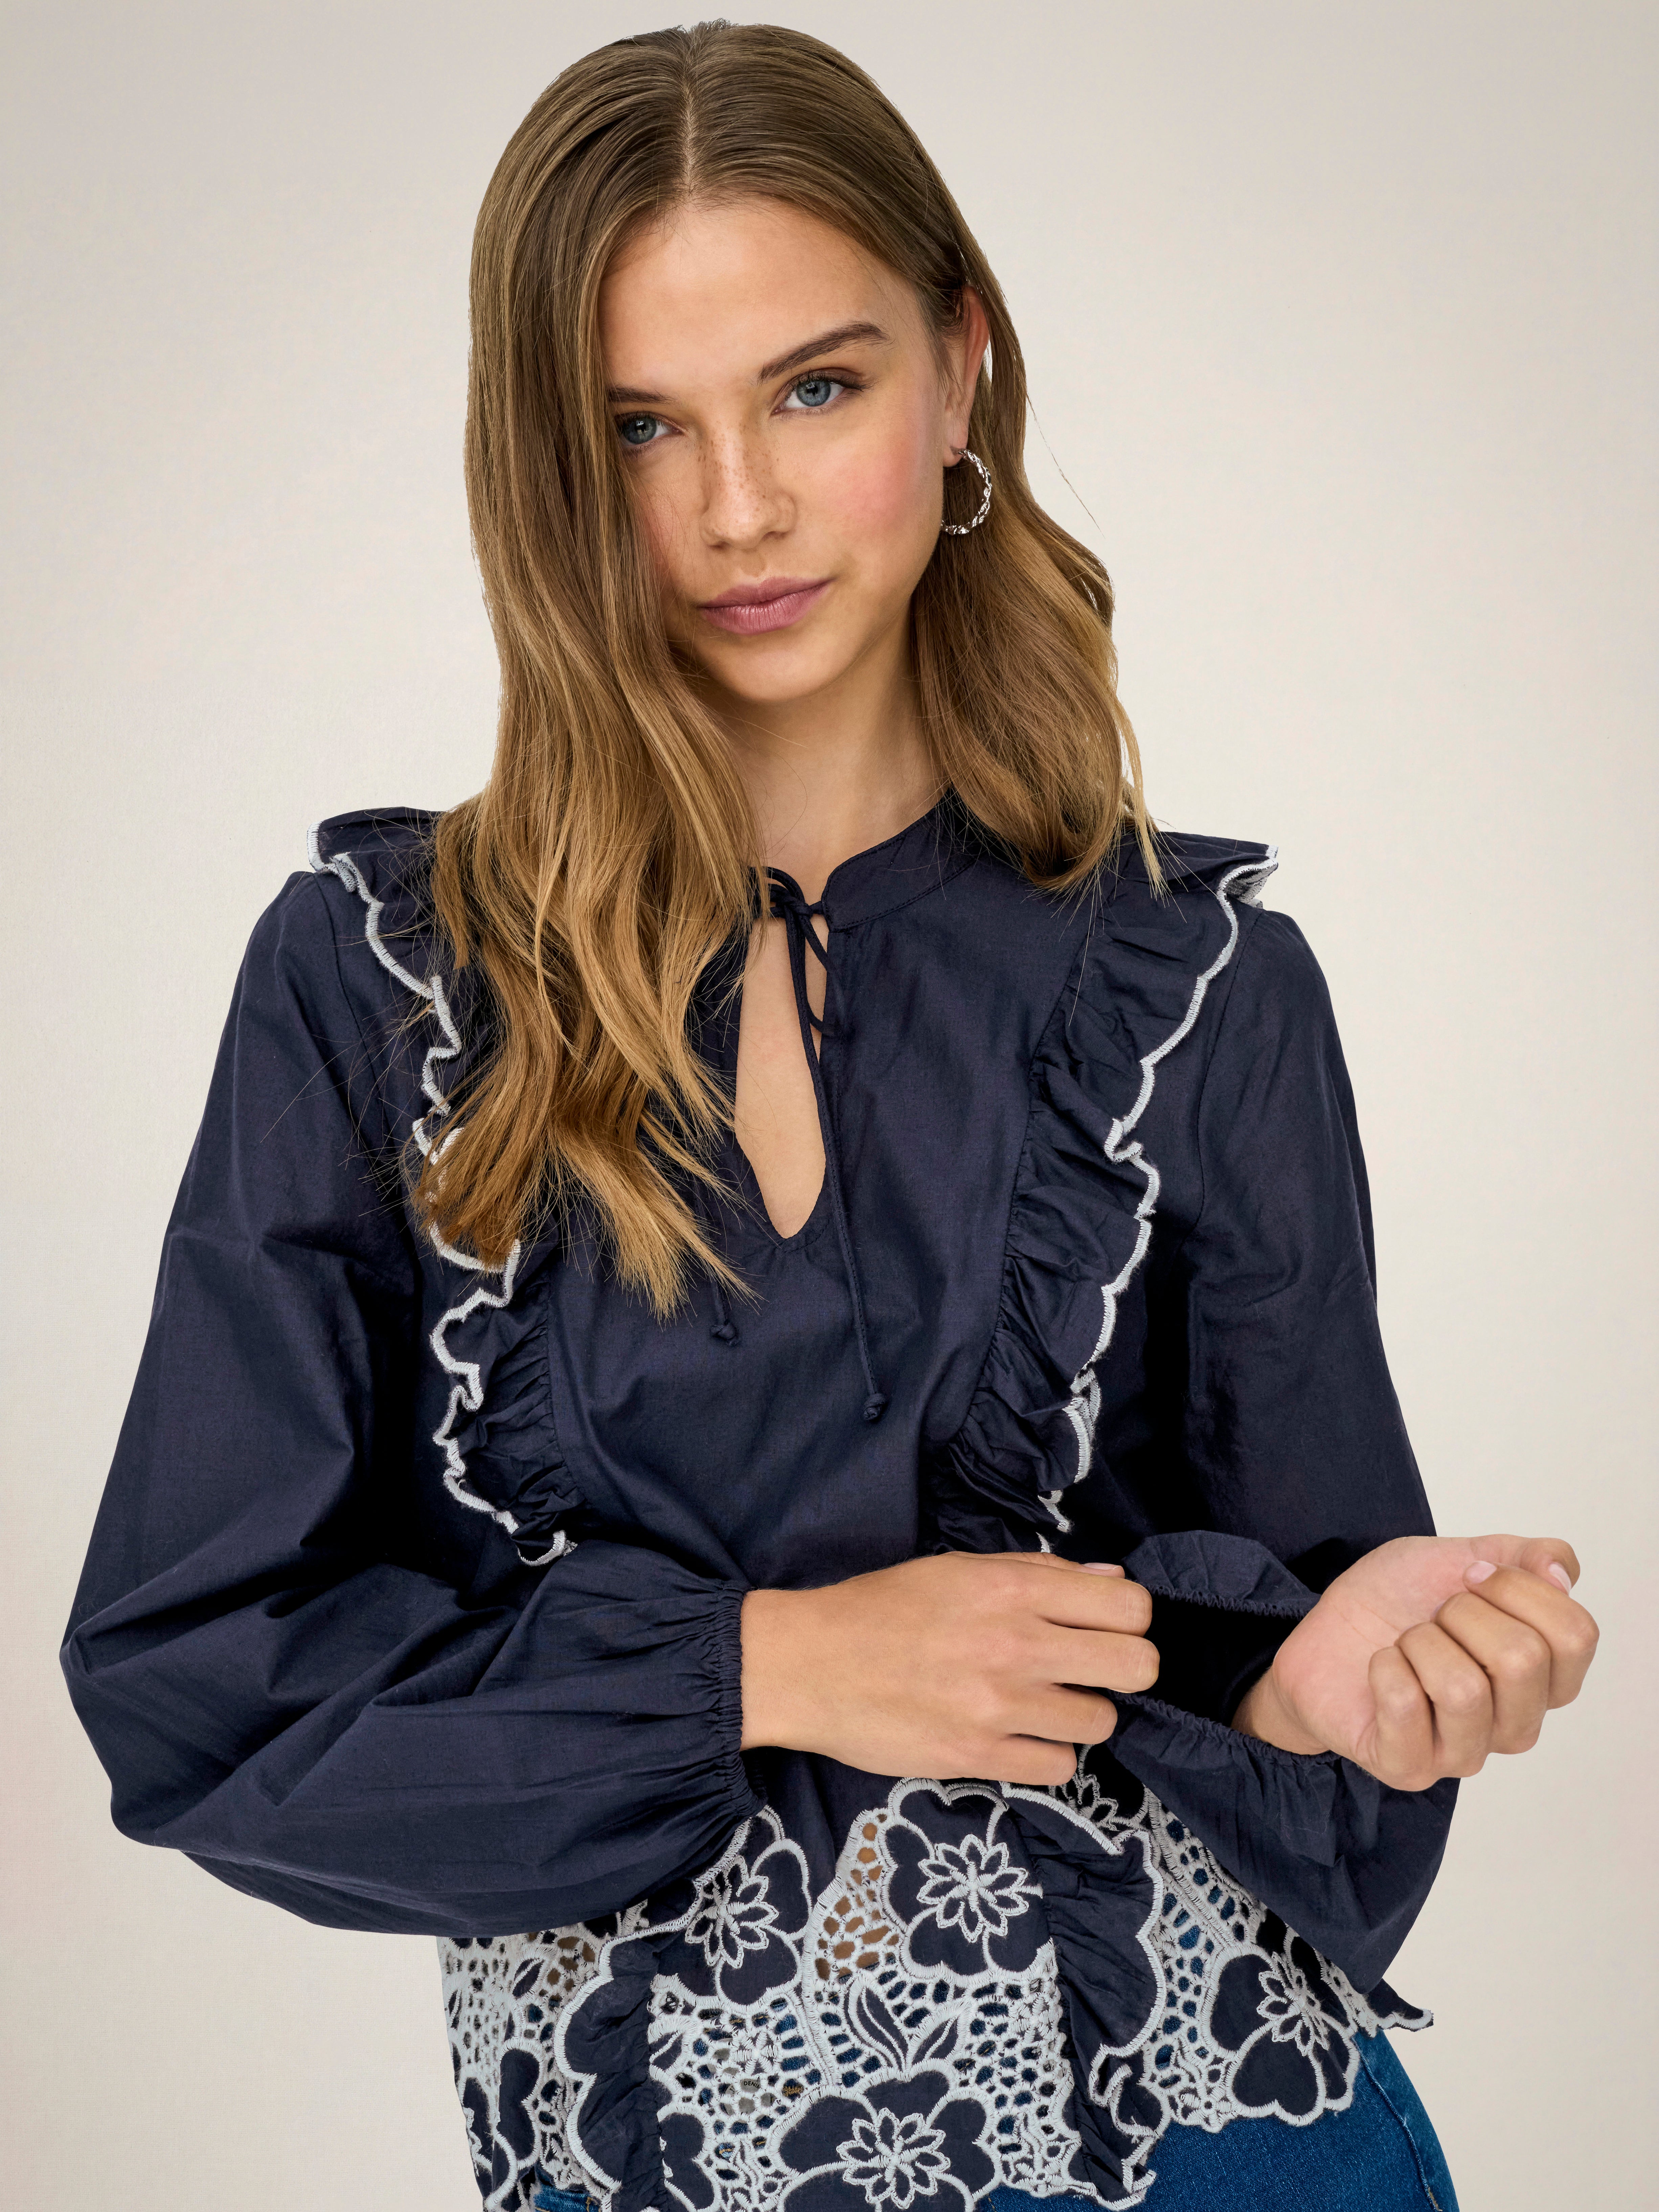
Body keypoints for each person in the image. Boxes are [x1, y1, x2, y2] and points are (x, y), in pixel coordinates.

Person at [63, 23, 1598, 2212]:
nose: (736, 508)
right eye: (638, 426)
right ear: (541, 463)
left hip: (1206, 2146)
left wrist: (1330, 1688)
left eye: (814, 387)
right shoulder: (381, 980)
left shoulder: (1199, 989)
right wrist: (771, 1665)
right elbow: (200, 1694)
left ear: (958, 373)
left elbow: (1284, 1666)